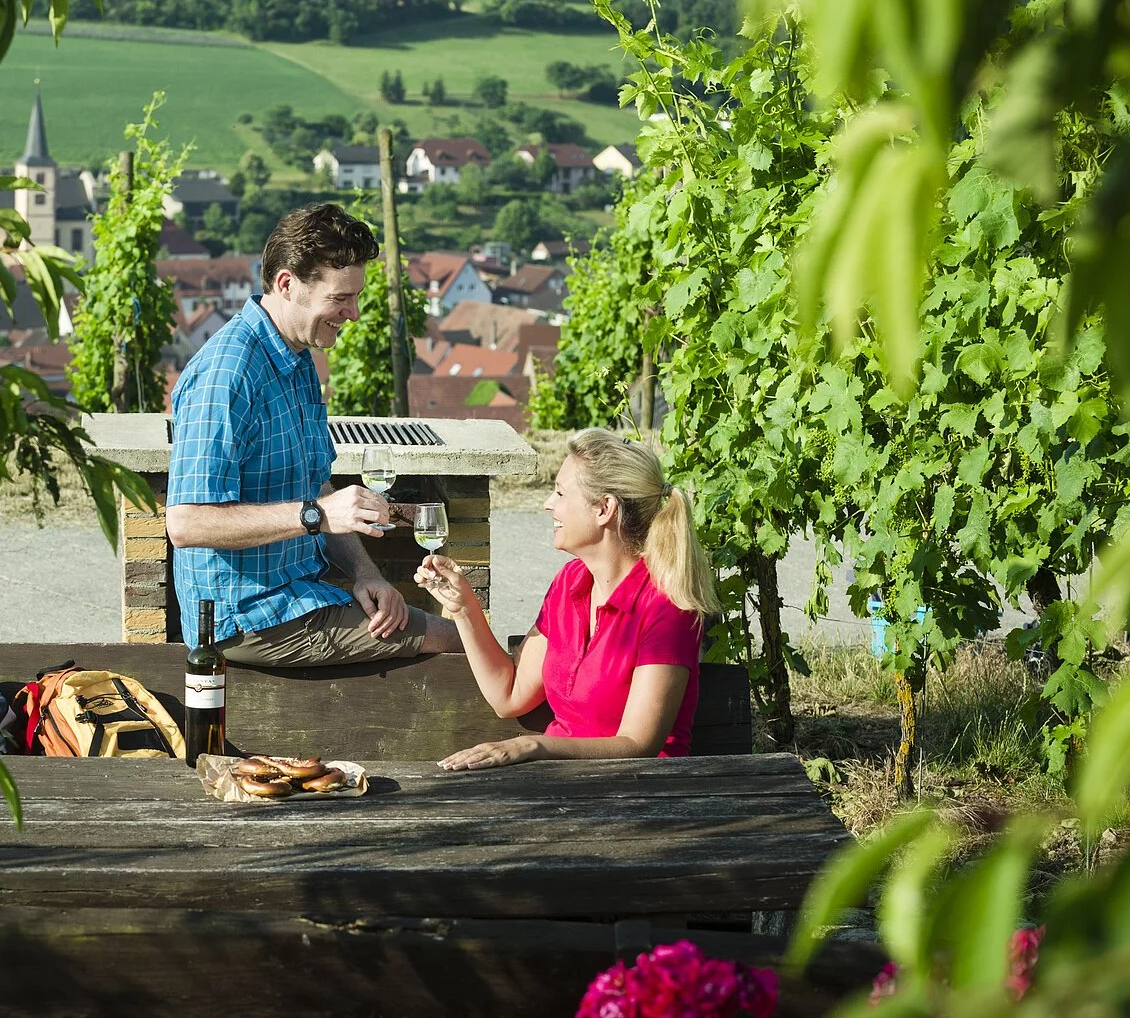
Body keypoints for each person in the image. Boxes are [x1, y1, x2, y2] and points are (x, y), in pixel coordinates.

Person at [165, 203, 461, 666]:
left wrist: (367, 574)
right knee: (461, 641)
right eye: (341, 298)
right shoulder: (228, 373)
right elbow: (185, 524)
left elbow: (316, 488)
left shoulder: (296, 355)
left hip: (298, 592)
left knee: (447, 627)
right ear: (288, 284)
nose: (355, 313)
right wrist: (314, 515)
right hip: (248, 619)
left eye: (356, 297)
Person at [414, 429, 719, 770]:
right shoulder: (570, 583)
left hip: (640, 792)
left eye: (559, 492)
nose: (548, 503)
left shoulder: (666, 606)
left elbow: (639, 744)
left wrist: (533, 745)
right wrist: (464, 607)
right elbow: (509, 696)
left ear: (605, 509)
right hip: (561, 783)